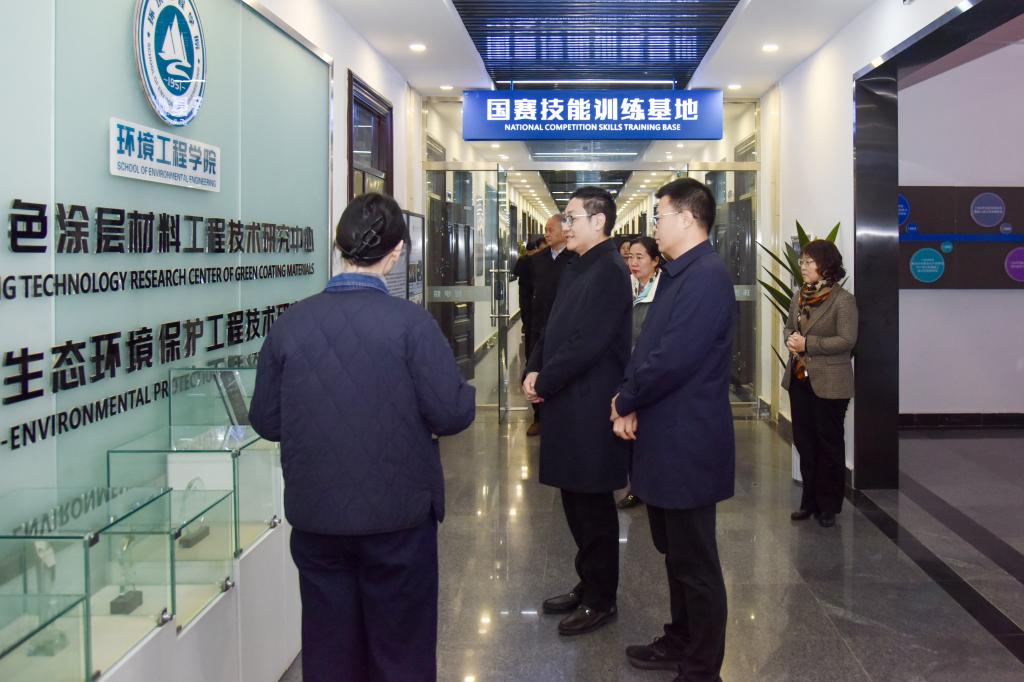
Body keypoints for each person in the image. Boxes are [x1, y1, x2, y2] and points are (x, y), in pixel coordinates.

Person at [248, 193, 475, 682]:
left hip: (317, 518)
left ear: (338, 246)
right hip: (397, 518)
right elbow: (452, 413)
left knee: (328, 649)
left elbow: (266, 420)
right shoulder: (412, 325)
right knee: (401, 650)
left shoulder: (290, 324)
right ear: (396, 253)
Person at [612, 179, 735, 682]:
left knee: (696, 562)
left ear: (686, 218)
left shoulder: (707, 277)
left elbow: (673, 359)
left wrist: (626, 400)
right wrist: (629, 397)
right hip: (664, 436)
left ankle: (702, 668)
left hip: (688, 442)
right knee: (676, 555)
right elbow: (646, 347)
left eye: (659, 216)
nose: (654, 226)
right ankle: (680, 640)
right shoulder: (676, 273)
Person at [523, 187, 632, 636]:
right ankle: (587, 583)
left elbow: (587, 342)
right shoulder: (575, 264)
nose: (564, 227)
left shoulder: (609, 269)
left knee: (593, 505)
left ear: (599, 221)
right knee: (573, 498)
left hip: (589, 404)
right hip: (566, 400)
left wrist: (544, 381)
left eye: (571, 219)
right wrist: (533, 367)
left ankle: (601, 598)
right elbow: (551, 327)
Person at [783, 239, 857, 528]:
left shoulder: (843, 300)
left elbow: (847, 340)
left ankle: (829, 506)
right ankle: (808, 502)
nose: (803, 266)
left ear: (826, 266)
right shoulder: (800, 296)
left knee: (829, 444)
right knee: (805, 442)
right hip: (800, 380)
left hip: (830, 383)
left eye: (808, 262)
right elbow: (790, 327)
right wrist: (791, 339)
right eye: (802, 261)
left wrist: (808, 344)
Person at [617, 235, 663, 510]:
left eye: (639, 257)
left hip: (648, 371)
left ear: (655, 261)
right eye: (629, 257)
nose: (633, 263)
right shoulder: (627, 287)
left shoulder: (662, 292)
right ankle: (636, 486)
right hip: (627, 369)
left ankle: (649, 486)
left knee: (648, 432)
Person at [524, 216, 574, 437]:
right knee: (534, 369)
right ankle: (538, 417)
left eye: (551, 229)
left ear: (565, 231)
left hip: (563, 327)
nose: (546, 233)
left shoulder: (575, 259)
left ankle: (560, 417)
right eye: (545, 229)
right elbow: (526, 294)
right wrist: (528, 322)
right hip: (538, 325)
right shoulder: (536, 261)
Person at [513, 235, 546, 363]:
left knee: (531, 332)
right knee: (531, 332)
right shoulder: (530, 261)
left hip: (529, 301)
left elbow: (516, 273)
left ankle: (531, 360)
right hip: (529, 301)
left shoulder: (525, 260)